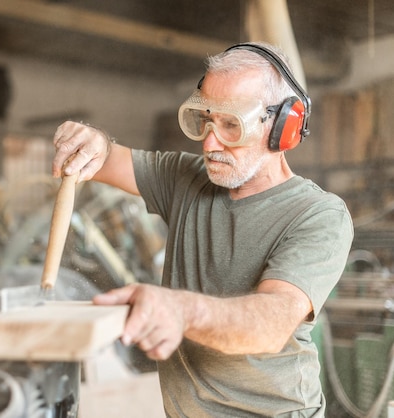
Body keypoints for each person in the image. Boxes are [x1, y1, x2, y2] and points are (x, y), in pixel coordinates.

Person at [51, 42, 353, 417]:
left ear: (283, 127)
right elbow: (107, 158)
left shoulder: (318, 214)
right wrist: (92, 141)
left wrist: (180, 311)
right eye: (206, 121)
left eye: (231, 125)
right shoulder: (185, 179)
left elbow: (271, 324)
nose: (210, 143)